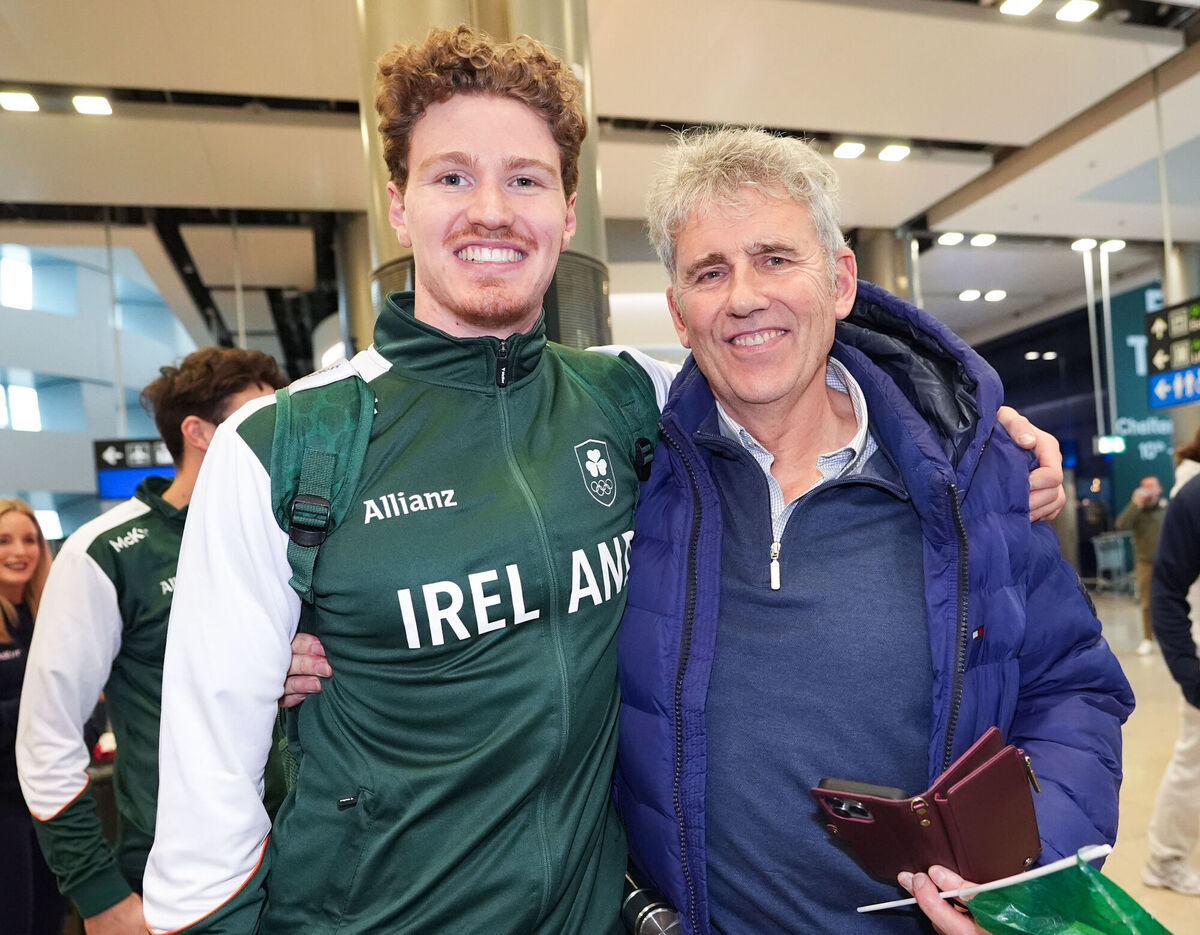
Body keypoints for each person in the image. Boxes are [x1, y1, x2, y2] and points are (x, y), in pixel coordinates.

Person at [145, 27, 1066, 935]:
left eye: (525, 179)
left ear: (568, 209)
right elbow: (204, 817)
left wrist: (977, 438)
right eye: (452, 175)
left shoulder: (629, 395)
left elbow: (778, 359)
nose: (492, 210)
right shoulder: (285, 446)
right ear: (397, 202)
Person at [611, 127, 1135, 935]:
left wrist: (1019, 881)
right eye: (709, 272)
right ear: (680, 314)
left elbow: (1073, 686)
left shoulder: (979, 479)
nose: (744, 295)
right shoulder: (635, 473)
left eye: (776, 258)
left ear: (842, 280)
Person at [16, 347, 285, 935]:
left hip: (308, 858)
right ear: (198, 432)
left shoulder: (292, 531)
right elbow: (47, 737)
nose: (279, 434)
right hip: (181, 876)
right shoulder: (106, 551)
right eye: (258, 417)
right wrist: (99, 895)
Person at [1, 499, 66, 935]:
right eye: (4, 540)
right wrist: (38, 704)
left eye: (30, 540)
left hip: (51, 798)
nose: (20, 551)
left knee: (51, 918)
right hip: (4, 803)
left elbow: (83, 701)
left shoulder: (52, 616)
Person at [1142, 434, 1200, 897]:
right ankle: (1164, 857)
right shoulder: (1193, 498)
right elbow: (1165, 592)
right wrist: (1189, 672)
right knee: (1195, 764)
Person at [1115, 474, 1166, 655]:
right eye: (1145, 487)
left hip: (1168, 563)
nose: (1149, 490)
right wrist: (1135, 503)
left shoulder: (1165, 509)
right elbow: (1121, 524)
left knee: (1175, 600)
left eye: (1152, 486)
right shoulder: (1137, 512)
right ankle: (1148, 639)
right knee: (1146, 603)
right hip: (1146, 563)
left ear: (1159, 489)